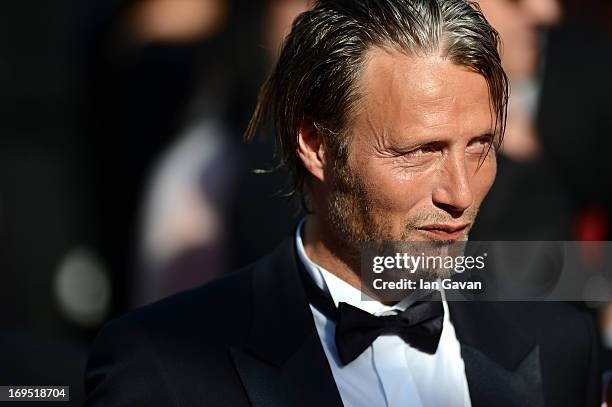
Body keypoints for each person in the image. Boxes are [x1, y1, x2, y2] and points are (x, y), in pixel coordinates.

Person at [84, 1, 600, 406]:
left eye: (481, 148)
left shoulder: (558, 343)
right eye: (420, 152)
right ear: (316, 145)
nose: (460, 194)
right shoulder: (165, 365)